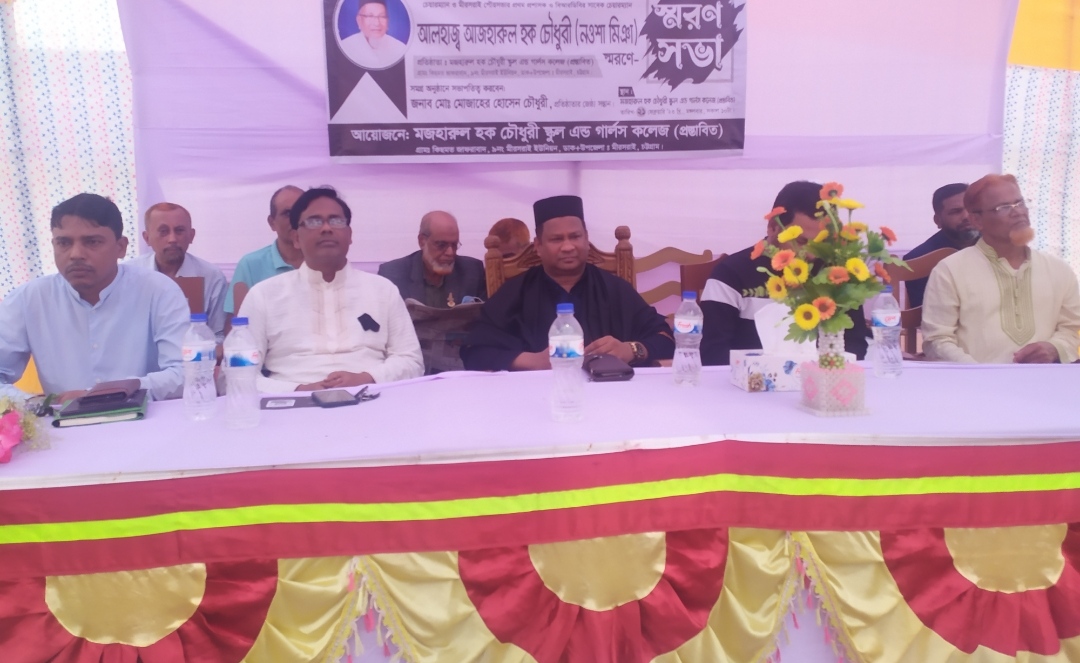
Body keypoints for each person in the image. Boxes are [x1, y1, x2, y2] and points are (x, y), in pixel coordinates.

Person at [0, 193, 188, 401]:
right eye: (64, 243)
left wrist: (115, 391)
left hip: (147, 417)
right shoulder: (28, 300)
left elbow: (185, 373)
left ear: (121, 247)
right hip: (60, 420)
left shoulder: (159, 291)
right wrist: (36, 405)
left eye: (92, 242)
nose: (76, 254)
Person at [238, 187, 423, 391]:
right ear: (296, 238)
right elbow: (237, 373)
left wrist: (367, 378)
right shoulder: (263, 295)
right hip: (292, 403)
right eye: (314, 221)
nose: (326, 228)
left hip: (371, 396)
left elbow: (411, 360)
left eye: (336, 220)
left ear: (350, 235)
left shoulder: (383, 290)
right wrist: (298, 390)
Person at [461, 195, 673, 371]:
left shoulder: (615, 289)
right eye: (557, 239)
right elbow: (474, 352)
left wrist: (631, 350)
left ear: (586, 239)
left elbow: (666, 339)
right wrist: (533, 361)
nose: (568, 247)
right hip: (532, 397)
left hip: (611, 395)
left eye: (575, 236)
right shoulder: (514, 293)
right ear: (538, 246)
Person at [699, 181, 869, 366]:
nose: (812, 254)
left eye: (821, 242)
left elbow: (855, 345)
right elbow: (713, 353)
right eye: (801, 242)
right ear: (773, 227)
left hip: (822, 378)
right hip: (749, 381)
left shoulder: (837, 274)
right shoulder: (730, 274)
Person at [922, 174, 1080, 364]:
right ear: (977, 220)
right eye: (1003, 207)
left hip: (1045, 378)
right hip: (974, 380)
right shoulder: (949, 271)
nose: (1018, 212)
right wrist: (979, 373)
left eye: (1020, 203)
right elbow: (937, 340)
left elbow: (1074, 329)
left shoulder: (1058, 269)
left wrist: (1055, 348)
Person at [129, 202, 228, 343]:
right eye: (163, 231)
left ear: (191, 236)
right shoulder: (129, 275)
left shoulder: (211, 276)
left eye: (179, 230)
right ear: (147, 238)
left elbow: (218, 335)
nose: (172, 239)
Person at [224, 185, 305, 316]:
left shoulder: (325, 262)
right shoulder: (250, 265)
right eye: (288, 214)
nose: (296, 219)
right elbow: (236, 323)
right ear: (272, 223)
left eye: (301, 212)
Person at [377, 211, 486, 307]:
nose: (450, 253)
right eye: (441, 245)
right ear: (422, 241)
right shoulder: (392, 275)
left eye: (454, 245)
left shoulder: (473, 271)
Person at [902, 183, 979, 308]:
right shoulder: (918, 259)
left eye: (971, 209)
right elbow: (924, 313)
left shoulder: (999, 246)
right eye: (956, 211)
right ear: (938, 221)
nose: (966, 216)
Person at [339, 0, 407, 69]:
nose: (377, 23)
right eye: (370, 16)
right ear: (359, 20)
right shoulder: (346, 46)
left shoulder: (400, 48)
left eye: (382, 16)